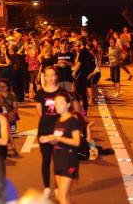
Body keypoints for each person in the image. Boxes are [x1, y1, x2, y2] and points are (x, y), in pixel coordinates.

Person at [39, 92, 81, 204]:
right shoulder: (58, 121)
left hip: (69, 160)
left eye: (61, 103)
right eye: (56, 103)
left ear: (68, 105)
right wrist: (48, 139)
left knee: (61, 196)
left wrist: (57, 138)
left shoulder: (72, 120)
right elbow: (57, 140)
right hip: (58, 160)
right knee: (65, 196)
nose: (57, 105)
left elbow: (76, 142)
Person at [35, 66, 65, 198]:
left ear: (56, 76)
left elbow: (65, 114)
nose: (50, 78)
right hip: (45, 130)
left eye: (53, 75)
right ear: (44, 76)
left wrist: (58, 133)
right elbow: (40, 113)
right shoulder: (40, 94)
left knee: (59, 160)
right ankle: (47, 187)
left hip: (60, 130)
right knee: (46, 159)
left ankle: (58, 187)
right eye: (48, 75)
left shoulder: (62, 92)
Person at [72, 38, 95, 112]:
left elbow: (79, 63)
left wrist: (74, 72)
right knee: (83, 94)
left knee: (79, 94)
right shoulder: (87, 51)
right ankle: (83, 111)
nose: (76, 42)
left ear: (81, 42)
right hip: (85, 74)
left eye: (77, 41)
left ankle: (81, 111)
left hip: (81, 75)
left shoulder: (82, 51)